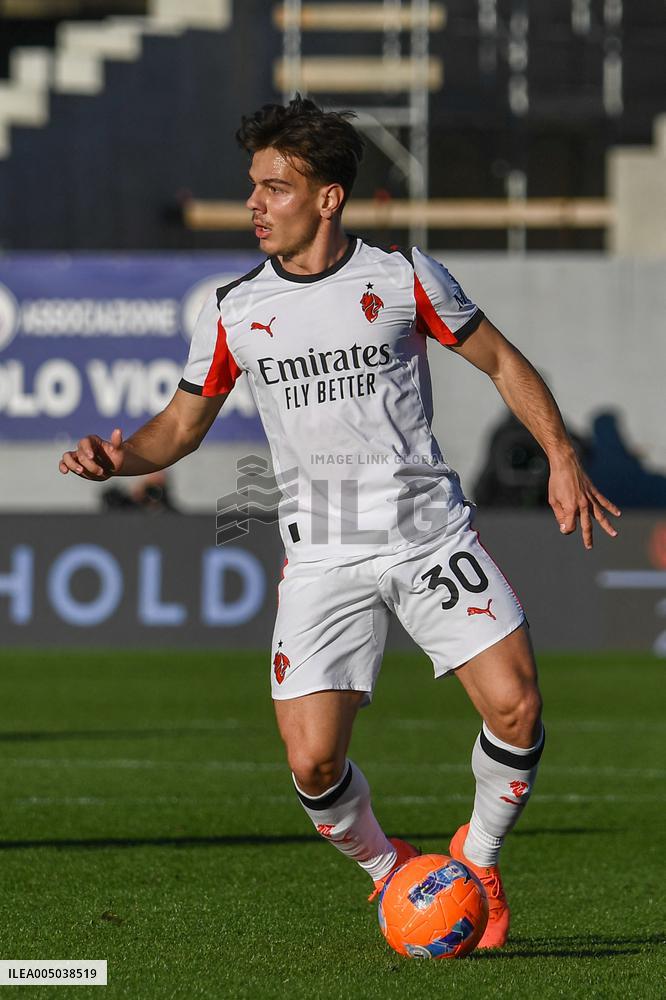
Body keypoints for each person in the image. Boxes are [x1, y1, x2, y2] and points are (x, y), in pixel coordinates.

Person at [59, 96, 620, 950]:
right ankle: (392, 874)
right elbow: (179, 428)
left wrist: (564, 457)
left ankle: (478, 860)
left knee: (517, 709)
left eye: (274, 188)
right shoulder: (235, 310)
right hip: (322, 558)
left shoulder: (402, 279)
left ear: (327, 199)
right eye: (253, 186)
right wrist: (119, 457)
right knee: (314, 764)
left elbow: (502, 360)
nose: (254, 204)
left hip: (427, 535)